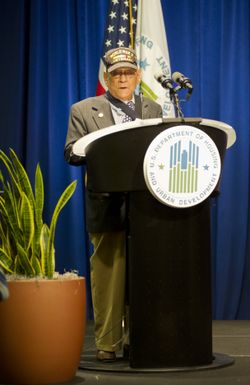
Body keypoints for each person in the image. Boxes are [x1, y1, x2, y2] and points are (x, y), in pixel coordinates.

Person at [64, 47, 163, 362]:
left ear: (137, 76)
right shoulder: (84, 110)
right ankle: (108, 342)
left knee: (145, 271)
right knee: (109, 272)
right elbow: (71, 152)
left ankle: (142, 340)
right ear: (106, 77)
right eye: (116, 73)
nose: (123, 79)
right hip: (106, 203)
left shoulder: (153, 107)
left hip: (146, 205)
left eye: (128, 73)